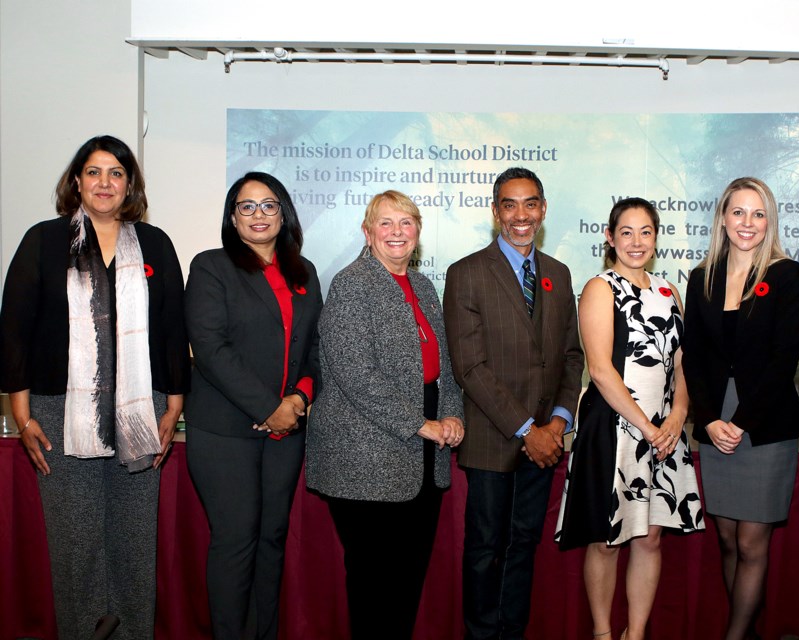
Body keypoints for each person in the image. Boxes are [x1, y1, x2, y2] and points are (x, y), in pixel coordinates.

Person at [0, 135, 190, 639]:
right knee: (76, 541)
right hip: (59, 408)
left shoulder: (154, 244)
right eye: (94, 172)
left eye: (116, 173)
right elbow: (14, 328)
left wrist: (173, 407)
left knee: (133, 539)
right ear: (77, 181)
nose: (104, 183)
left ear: (130, 185)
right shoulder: (43, 240)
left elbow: (173, 329)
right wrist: (22, 416)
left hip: (140, 406)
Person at [305, 190, 464, 639]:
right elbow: (356, 374)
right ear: (367, 232)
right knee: (376, 582)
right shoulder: (352, 283)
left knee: (408, 578)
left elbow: (445, 365)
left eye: (406, 223)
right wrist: (421, 424)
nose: (397, 232)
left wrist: (452, 416)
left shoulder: (423, 286)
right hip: (365, 456)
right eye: (386, 223)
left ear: (418, 231)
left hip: (423, 455)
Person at [444, 167, 584, 640]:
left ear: (543, 210)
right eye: (510, 204)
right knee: (486, 549)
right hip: (493, 438)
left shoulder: (559, 275)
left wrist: (559, 423)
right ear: (495, 211)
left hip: (547, 442)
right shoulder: (466, 273)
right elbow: (470, 367)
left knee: (524, 545)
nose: (520, 215)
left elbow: (570, 356)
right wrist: (529, 430)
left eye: (530, 204)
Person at [556, 197, 703, 640]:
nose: (636, 242)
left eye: (645, 232)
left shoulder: (668, 290)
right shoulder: (601, 287)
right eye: (626, 232)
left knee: (650, 537)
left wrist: (677, 416)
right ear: (609, 237)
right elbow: (600, 369)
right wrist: (647, 426)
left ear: (656, 238)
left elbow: (682, 365)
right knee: (607, 538)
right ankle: (603, 633)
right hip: (617, 429)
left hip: (664, 431)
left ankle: (635, 633)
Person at [184, 172, 323, 640]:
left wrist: (299, 398)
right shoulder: (211, 267)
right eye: (247, 206)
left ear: (283, 214)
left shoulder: (304, 272)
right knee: (236, 541)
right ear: (232, 217)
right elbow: (209, 348)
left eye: (269, 205)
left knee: (272, 540)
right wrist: (269, 408)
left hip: (287, 432)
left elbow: (315, 349)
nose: (259, 215)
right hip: (224, 431)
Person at [682, 178, 799, 639]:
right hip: (715, 421)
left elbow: (783, 359)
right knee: (728, 538)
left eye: (758, 214)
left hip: (764, 423)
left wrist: (739, 423)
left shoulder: (785, 274)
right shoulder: (702, 277)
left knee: (753, 541)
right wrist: (711, 420)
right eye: (738, 213)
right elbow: (693, 355)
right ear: (723, 219)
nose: (747, 223)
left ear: (769, 221)